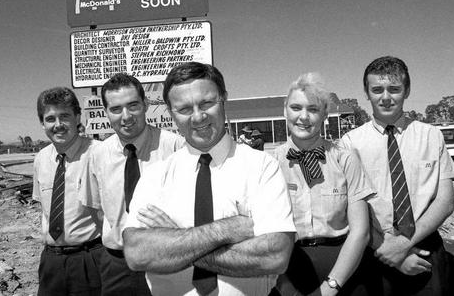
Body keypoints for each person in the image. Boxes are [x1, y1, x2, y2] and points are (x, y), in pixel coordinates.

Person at [123, 62, 296, 295]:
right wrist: (227, 230)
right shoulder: (155, 177)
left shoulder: (262, 167)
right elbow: (137, 254)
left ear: (223, 98)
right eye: (184, 109)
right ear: (170, 112)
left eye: (207, 103)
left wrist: (174, 240)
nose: (198, 117)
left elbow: (275, 255)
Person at [341, 56, 454, 295]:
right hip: (373, 247)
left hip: (423, 249)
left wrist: (403, 245)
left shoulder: (431, 136)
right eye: (377, 90)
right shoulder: (350, 143)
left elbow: (445, 202)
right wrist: (390, 251)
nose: (385, 97)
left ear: (407, 90)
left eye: (394, 89)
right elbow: (350, 206)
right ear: (367, 93)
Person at [79, 73, 185, 294]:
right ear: (106, 112)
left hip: (167, 259)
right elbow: (95, 210)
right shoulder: (97, 155)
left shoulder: (175, 147)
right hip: (117, 264)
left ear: (145, 105)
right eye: (116, 109)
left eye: (133, 105)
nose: (125, 116)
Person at [272, 73, 374, 296]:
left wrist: (331, 286)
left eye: (313, 109)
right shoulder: (269, 165)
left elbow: (360, 232)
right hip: (288, 269)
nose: (304, 117)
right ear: (284, 110)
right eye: (296, 107)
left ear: (325, 114)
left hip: (344, 268)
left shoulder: (345, 159)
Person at [33, 87, 103, 295]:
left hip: (89, 258)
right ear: (42, 123)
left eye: (64, 116)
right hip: (51, 260)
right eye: (50, 118)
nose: (58, 125)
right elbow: (44, 210)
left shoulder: (99, 153)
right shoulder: (41, 159)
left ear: (77, 117)